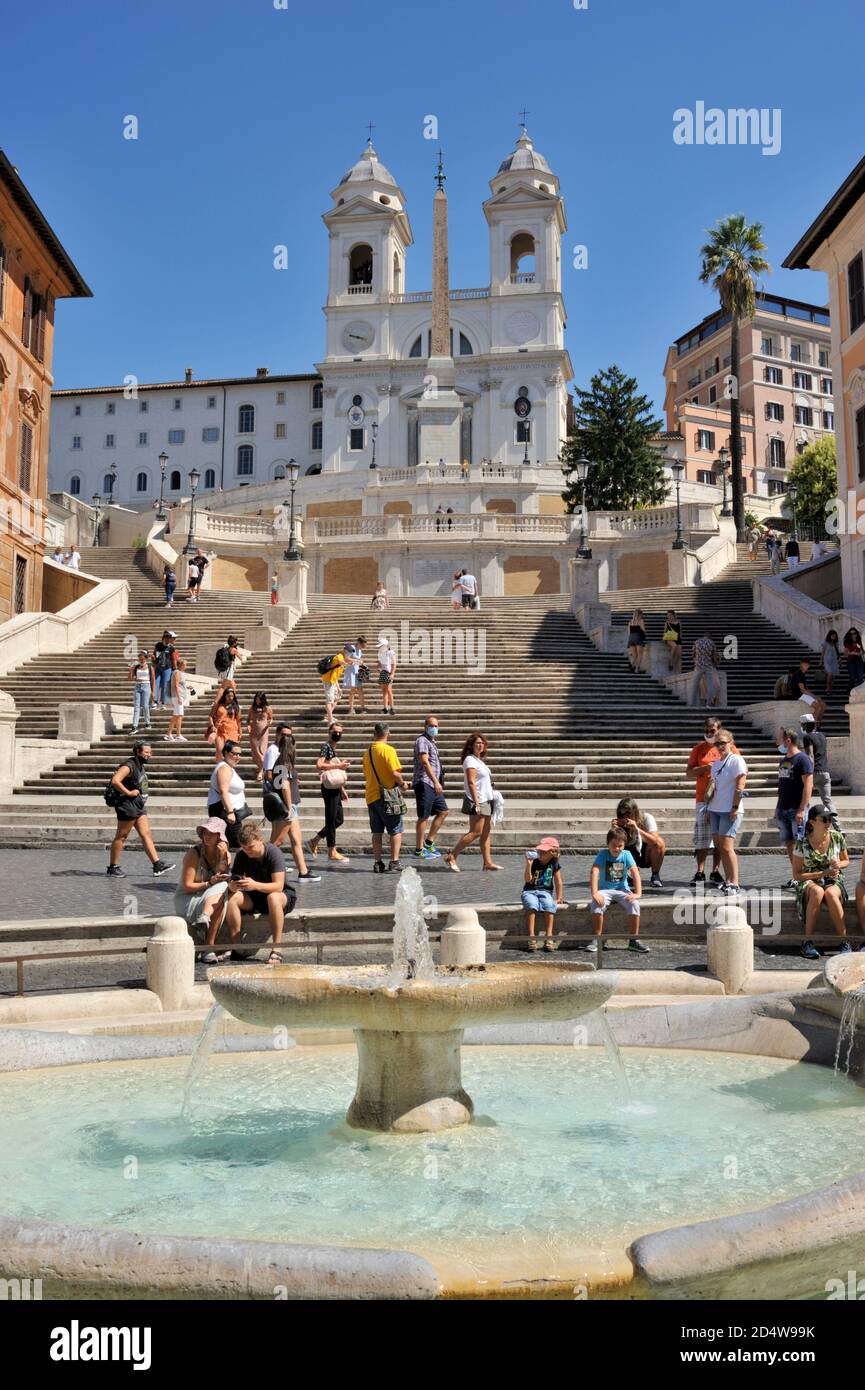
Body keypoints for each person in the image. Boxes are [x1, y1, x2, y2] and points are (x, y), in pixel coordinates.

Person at [224, 821, 295, 967]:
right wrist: (232, 886)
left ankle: (277, 948)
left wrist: (255, 885)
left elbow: (278, 885)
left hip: (281, 896)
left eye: (251, 847)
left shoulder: (273, 853)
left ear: (260, 841)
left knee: (273, 897)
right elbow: (234, 881)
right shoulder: (242, 855)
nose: (248, 851)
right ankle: (237, 947)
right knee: (233, 898)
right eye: (244, 848)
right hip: (255, 896)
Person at [105, 741, 174, 878]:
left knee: (146, 833)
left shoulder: (139, 765)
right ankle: (113, 867)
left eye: (150, 752)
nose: (149, 755)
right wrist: (128, 793)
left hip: (138, 805)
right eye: (146, 752)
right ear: (137, 751)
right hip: (127, 805)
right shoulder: (129, 765)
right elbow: (115, 780)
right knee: (121, 836)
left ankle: (157, 865)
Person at [262, 723, 320, 882]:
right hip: (288, 806)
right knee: (276, 842)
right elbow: (285, 786)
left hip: (290, 805)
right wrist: (288, 808)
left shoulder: (281, 762)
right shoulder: (283, 762)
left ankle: (303, 872)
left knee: (296, 840)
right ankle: (259, 867)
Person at [793, 806, 850, 960]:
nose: (828, 822)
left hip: (833, 878)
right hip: (809, 880)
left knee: (831, 893)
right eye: (824, 819)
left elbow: (846, 861)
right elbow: (797, 875)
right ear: (811, 822)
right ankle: (807, 942)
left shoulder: (837, 837)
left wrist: (838, 864)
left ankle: (844, 941)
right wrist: (822, 873)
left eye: (830, 819)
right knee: (818, 892)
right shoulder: (802, 842)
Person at [444, 732, 501, 872]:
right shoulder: (470, 760)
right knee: (475, 832)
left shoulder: (479, 760)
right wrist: (476, 802)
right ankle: (452, 856)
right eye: (477, 743)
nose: (480, 745)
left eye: (482, 743)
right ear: (471, 745)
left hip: (487, 799)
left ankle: (487, 862)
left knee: (486, 832)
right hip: (478, 799)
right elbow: (471, 782)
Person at [175, 818, 231, 960]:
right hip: (187, 897)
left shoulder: (224, 854)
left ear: (220, 836)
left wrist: (224, 856)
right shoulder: (193, 854)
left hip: (209, 897)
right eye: (205, 832)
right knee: (220, 898)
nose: (207, 836)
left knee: (222, 888)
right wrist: (208, 884)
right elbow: (187, 886)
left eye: (212, 833)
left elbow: (222, 876)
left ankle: (205, 919)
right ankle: (208, 948)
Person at [588, 826, 647, 954]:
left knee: (634, 904)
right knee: (597, 904)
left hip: (622, 890)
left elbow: (635, 872)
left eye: (620, 846)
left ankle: (633, 940)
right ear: (607, 844)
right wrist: (594, 893)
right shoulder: (603, 854)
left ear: (624, 845)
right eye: (614, 845)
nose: (617, 849)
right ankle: (597, 938)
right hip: (605, 890)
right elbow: (594, 870)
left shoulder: (627, 855)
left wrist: (638, 893)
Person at [706, 729, 748, 896]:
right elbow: (714, 788)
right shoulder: (716, 764)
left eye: (722, 743)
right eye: (717, 743)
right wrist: (709, 808)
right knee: (720, 847)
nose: (719, 746)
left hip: (730, 809)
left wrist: (735, 808)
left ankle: (735, 882)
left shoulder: (737, 760)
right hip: (715, 808)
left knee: (727, 847)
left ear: (731, 742)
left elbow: (740, 785)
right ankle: (728, 880)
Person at [686, 717, 727, 886]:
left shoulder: (727, 748)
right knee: (702, 837)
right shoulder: (698, 749)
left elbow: (740, 767)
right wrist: (706, 768)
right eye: (708, 730)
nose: (710, 733)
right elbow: (688, 772)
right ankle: (700, 871)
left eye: (713, 730)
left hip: (722, 798)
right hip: (703, 798)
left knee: (718, 836)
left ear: (719, 731)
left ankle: (715, 871)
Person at [363, 722, 408, 873]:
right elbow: (395, 773)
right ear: (388, 733)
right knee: (395, 829)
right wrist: (403, 784)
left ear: (375, 733)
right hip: (388, 796)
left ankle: (378, 862)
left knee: (376, 831)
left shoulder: (368, 751)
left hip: (371, 795)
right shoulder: (388, 750)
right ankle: (394, 862)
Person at [775, 727, 814, 888]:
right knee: (790, 844)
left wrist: (801, 809)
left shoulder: (803, 759)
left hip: (796, 810)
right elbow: (782, 785)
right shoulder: (784, 759)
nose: (778, 742)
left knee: (801, 845)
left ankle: (808, 878)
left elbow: (808, 786)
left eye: (780, 739)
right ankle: (796, 876)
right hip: (782, 809)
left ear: (788, 740)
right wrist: (777, 807)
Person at [308, 722, 351, 864]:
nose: (337, 734)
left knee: (338, 819)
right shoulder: (326, 746)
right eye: (335, 731)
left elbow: (334, 771)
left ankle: (314, 841)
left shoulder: (332, 747)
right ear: (329, 732)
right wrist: (339, 765)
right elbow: (319, 765)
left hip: (335, 788)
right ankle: (332, 851)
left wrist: (342, 789)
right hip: (328, 789)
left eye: (340, 732)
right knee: (331, 819)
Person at [413, 715, 448, 859]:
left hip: (434, 784)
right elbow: (425, 762)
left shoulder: (432, 742)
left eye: (436, 726)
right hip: (425, 782)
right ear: (425, 727)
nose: (434, 728)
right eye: (431, 726)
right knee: (424, 816)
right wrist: (435, 781)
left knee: (443, 811)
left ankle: (428, 843)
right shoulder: (422, 740)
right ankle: (419, 849)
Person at [612, 796, 666, 889]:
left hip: (645, 853)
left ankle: (655, 875)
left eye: (628, 813)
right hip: (629, 852)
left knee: (660, 842)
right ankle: (628, 875)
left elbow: (654, 840)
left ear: (635, 811)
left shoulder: (647, 818)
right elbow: (613, 846)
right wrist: (614, 831)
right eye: (622, 814)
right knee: (615, 846)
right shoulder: (620, 824)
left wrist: (637, 829)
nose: (625, 817)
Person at [522, 836, 565, 952]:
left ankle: (549, 936)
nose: (540, 853)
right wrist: (529, 865)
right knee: (531, 905)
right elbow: (527, 879)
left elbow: (558, 881)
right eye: (539, 850)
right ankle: (531, 936)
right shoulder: (534, 862)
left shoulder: (554, 863)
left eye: (543, 851)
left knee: (550, 905)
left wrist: (559, 897)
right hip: (529, 890)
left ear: (553, 853)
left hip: (545, 892)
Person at [207, 739, 249, 847]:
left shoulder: (227, 767)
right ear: (225, 753)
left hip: (226, 810)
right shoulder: (224, 768)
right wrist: (230, 812)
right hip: (224, 811)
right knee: (237, 844)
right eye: (234, 754)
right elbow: (223, 791)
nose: (237, 757)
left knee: (227, 844)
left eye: (239, 754)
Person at [800, 712, 836, 819]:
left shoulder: (807, 737)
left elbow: (810, 756)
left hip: (814, 772)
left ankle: (803, 825)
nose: (801, 727)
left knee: (804, 799)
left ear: (805, 726)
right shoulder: (822, 736)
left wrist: (808, 773)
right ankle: (839, 828)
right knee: (828, 801)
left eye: (802, 725)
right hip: (825, 771)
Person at [788, 657, 826, 724]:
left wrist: (815, 696)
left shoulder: (802, 674)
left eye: (807, 665)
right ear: (801, 665)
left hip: (803, 694)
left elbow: (806, 689)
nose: (807, 666)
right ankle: (812, 726)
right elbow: (803, 690)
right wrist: (815, 697)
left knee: (823, 705)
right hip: (799, 695)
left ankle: (818, 724)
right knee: (819, 707)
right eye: (805, 665)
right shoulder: (798, 674)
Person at [246, 691, 273, 781]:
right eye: (256, 699)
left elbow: (270, 718)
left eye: (259, 699)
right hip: (254, 731)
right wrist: (248, 725)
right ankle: (262, 768)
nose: (258, 701)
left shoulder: (267, 708)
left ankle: (261, 771)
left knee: (261, 751)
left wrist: (270, 723)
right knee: (255, 752)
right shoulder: (252, 708)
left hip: (263, 732)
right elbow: (248, 719)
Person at [211, 685, 242, 760]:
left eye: (232, 696)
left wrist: (240, 732)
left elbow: (238, 721)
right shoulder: (218, 705)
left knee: (231, 752)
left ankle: (228, 768)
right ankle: (219, 767)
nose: (230, 698)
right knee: (219, 750)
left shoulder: (236, 706)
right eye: (229, 696)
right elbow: (210, 716)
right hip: (219, 731)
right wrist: (212, 726)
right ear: (224, 696)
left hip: (232, 731)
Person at [691, 632, 720, 707]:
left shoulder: (697, 642)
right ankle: (708, 703)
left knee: (695, 685)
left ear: (704, 636)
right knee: (710, 685)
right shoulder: (712, 643)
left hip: (698, 666)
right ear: (710, 637)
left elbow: (693, 654)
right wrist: (716, 663)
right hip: (708, 666)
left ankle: (693, 703)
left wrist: (696, 660)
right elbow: (714, 657)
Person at [128, 648, 154, 732]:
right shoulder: (136, 667)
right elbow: (130, 679)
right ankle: (134, 726)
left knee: (145, 706)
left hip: (147, 686)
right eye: (139, 657)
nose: (140, 659)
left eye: (142, 657)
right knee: (136, 706)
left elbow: (153, 680)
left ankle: (148, 723)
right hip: (138, 686)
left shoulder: (150, 667)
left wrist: (153, 692)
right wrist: (130, 670)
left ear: (146, 658)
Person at [342, 637, 368, 715]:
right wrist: (357, 661)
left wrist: (363, 664)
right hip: (351, 671)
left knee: (360, 689)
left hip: (357, 670)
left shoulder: (360, 650)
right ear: (358, 643)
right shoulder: (351, 648)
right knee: (353, 690)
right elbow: (346, 658)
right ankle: (351, 708)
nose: (362, 648)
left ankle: (363, 708)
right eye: (362, 646)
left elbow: (359, 660)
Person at [320, 648, 347, 722]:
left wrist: (339, 688)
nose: (350, 654)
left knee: (338, 696)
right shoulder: (339, 656)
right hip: (328, 681)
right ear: (345, 651)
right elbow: (341, 662)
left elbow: (335, 676)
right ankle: (330, 720)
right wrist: (352, 662)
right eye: (349, 652)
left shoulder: (342, 658)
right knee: (329, 700)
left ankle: (329, 716)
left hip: (333, 681)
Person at [166, 657, 189, 741]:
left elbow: (179, 685)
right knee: (179, 716)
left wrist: (187, 687)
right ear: (181, 665)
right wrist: (179, 697)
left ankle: (170, 734)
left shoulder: (180, 673)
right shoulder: (177, 672)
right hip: (177, 696)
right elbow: (176, 685)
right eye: (185, 665)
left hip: (179, 696)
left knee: (177, 715)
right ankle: (176, 734)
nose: (186, 666)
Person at [153, 630, 177, 708]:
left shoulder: (171, 647)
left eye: (169, 638)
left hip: (167, 668)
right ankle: (155, 701)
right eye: (166, 638)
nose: (168, 640)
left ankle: (164, 702)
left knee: (165, 685)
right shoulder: (158, 645)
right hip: (158, 667)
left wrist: (174, 669)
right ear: (163, 638)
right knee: (156, 683)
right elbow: (155, 655)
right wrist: (153, 659)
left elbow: (173, 659)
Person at [377, 637, 396, 715]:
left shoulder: (391, 652)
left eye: (381, 646)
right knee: (384, 691)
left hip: (388, 673)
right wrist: (379, 666)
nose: (380, 647)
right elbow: (381, 664)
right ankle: (385, 708)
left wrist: (392, 673)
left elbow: (394, 664)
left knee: (389, 690)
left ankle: (392, 708)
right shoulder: (381, 653)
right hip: (382, 672)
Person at [821, 629, 841, 698]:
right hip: (827, 661)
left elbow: (837, 652)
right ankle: (828, 688)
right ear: (829, 636)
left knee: (832, 676)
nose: (833, 637)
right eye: (832, 635)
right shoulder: (825, 642)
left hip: (834, 661)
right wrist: (820, 661)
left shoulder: (836, 643)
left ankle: (830, 689)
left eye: (835, 636)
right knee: (829, 673)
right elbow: (823, 652)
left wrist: (839, 659)